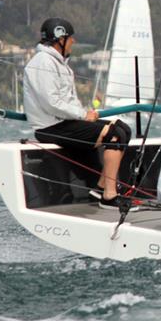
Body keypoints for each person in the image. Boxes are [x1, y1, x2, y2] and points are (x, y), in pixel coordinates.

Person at [23, 18, 133, 208]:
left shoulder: (58, 62)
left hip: (63, 122)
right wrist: (83, 115)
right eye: (70, 37)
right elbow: (52, 103)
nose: (73, 41)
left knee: (123, 129)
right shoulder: (43, 62)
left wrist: (83, 115)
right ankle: (109, 195)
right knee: (114, 135)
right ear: (59, 39)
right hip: (51, 126)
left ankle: (100, 188)